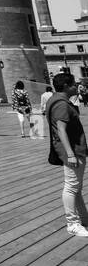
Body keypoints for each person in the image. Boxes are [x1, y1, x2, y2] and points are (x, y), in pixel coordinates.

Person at [47, 71, 88, 237]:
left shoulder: (56, 100)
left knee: (75, 187)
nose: (76, 87)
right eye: (73, 84)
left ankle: (84, 218)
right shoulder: (62, 104)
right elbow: (61, 130)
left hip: (75, 149)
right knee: (71, 187)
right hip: (71, 150)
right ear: (65, 86)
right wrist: (70, 154)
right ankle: (72, 223)